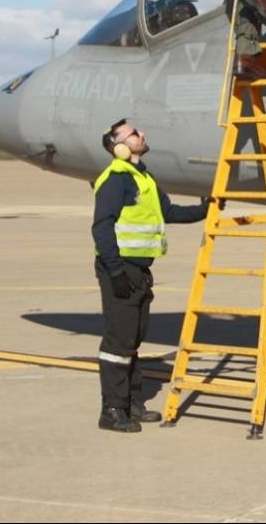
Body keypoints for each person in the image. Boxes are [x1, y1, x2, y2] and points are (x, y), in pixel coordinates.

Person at [92, 119, 208, 433]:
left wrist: (204, 210)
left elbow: (167, 213)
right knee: (118, 341)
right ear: (117, 145)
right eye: (133, 134)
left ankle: (132, 403)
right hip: (120, 268)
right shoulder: (116, 179)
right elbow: (101, 227)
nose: (141, 134)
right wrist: (115, 271)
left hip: (139, 269)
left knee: (133, 338)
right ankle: (112, 411)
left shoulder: (143, 178)